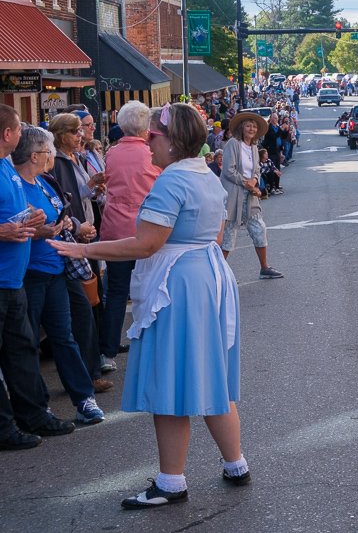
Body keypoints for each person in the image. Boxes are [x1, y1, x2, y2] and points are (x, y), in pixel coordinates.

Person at [50, 102, 250, 508]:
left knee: (170, 384)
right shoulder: (204, 174)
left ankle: (171, 481)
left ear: (172, 141)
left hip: (179, 283)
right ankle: (235, 463)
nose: (148, 145)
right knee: (212, 376)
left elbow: (146, 244)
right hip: (207, 275)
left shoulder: (172, 181)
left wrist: (81, 249)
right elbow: (217, 231)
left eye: (153, 138)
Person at [14, 126, 104, 425]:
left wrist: (69, 224)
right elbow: (16, 225)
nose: (52, 155)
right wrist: (37, 230)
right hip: (29, 272)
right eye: (49, 151)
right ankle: (37, 406)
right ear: (35, 155)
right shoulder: (17, 185)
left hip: (56, 269)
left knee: (63, 336)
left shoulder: (44, 182)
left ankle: (83, 398)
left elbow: (61, 211)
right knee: (27, 342)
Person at [0, 104, 76, 450]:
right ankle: (4, 428)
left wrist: (31, 224)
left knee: (23, 349)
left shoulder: (5, 167)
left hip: (14, 278)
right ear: (7, 134)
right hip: (5, 278)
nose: (20, 135)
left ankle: (33, 415)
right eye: (18, 128)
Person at [99, 101, 161, 374]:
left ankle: (108, 351)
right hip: (146, 228)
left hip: (115, 229)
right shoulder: (151, 152)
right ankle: (152, 344)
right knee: (150, 289)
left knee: (116, 292)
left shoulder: (112, 153)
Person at [48, 113, 108, 392]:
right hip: (73, 238)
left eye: (79, 131)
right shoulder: (59, 162)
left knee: (92, 301)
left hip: (85, 232)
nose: (80, 135)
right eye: (74, 132)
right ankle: (89, 371)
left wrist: (93, 186)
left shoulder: (77, 158)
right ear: (61, 135)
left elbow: (78, 194)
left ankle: (92, 367)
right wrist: (78, 228)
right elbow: (64, 201)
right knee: (82, 308)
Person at [220, 112, 283, 279]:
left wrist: (254, 180)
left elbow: (256, 169)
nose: (251, 129)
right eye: (248, 125)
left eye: (254, 126)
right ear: (241, 127)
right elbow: (228, 170)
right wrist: (247, 183)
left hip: (250, 194)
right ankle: (217, 271)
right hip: (234, 194)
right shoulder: (233, 144)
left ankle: (264, 267)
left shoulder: (254, 147)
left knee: (258, 228)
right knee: (229, 231)